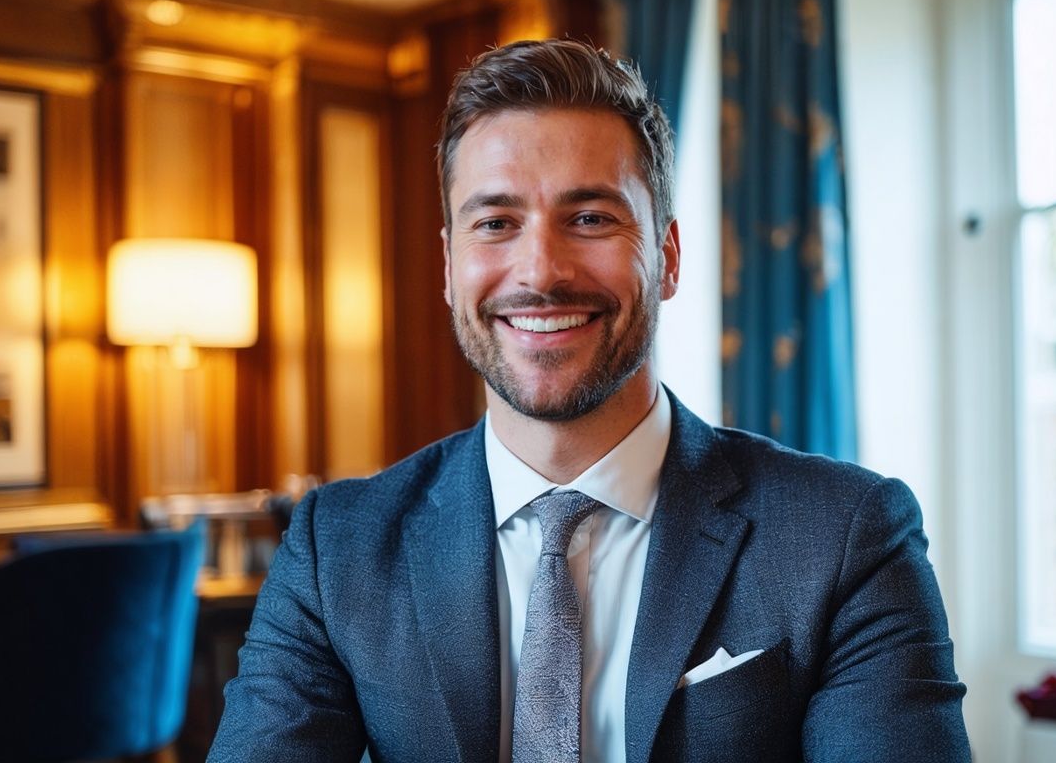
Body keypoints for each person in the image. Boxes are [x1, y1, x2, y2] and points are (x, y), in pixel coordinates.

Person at [208, 39, 970, 763]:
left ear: (666, 257)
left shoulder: (848, 538)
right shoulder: (335, 548)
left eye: (590, 218)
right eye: (497, 222)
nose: (540, 269)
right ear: (449, 265)